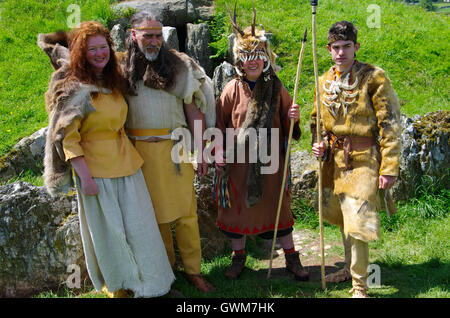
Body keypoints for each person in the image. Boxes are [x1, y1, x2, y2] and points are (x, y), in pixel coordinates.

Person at [38, 21, 175, 298]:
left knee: (142, 229)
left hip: (127, 164)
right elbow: (67, 137)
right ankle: (123, 289)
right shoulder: (74, 88)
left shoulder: (112, 80)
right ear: (81, 53)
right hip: (95, 172)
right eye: (93, 49)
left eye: (104, 48)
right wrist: (85, 178)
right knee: (111, 235)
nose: (100, 54)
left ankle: (154, 285)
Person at [120, 11, 216, 293]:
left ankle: (194, 271)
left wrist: (200, 151)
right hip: (138, 154)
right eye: (146, 35)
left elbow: (193, 109)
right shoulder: (122, 69)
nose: (153, 41)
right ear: (133, 34)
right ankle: (166, 271)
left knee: (186, 215)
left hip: (177, 149)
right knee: (153, 218)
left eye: (157, 35)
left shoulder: (177, 65)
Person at [213, 6, 309, 281]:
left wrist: (294, 118)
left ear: (265, 57)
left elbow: (290, 130)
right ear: (239, 60)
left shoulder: (277, 87)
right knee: (236, 212)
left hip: (271, 163)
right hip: (239, 163)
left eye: (257, 56)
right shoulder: (231, 89)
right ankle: (238, 258)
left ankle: (291, 258)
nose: (252, 61)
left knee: (276, 208)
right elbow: (220, 124)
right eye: (246, 57)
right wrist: (218, 150)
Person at [310, 21, 401, 298]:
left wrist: (390, 166)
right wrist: (319, 144)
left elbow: (390, 123)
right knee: (343, 217)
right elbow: (318, 122)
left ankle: (360, 286)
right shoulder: (323, 80)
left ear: (356, 47)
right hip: (334, 162)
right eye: (336, 47)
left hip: (364, 159)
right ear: (329, 49)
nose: (341, 53)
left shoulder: (375, 77)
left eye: (346, 47)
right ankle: (351, 269)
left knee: (358, 220)